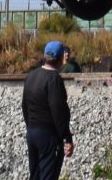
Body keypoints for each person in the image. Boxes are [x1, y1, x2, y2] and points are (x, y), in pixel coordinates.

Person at [22, 41, 75, 180]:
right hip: (48, 135)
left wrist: (31, 127)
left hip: (32, 133)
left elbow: (24, 105)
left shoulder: (31, 76)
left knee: (35, 175)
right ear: (59, 58)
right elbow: (58, 110)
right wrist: (67, 137)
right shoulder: (54, 79)